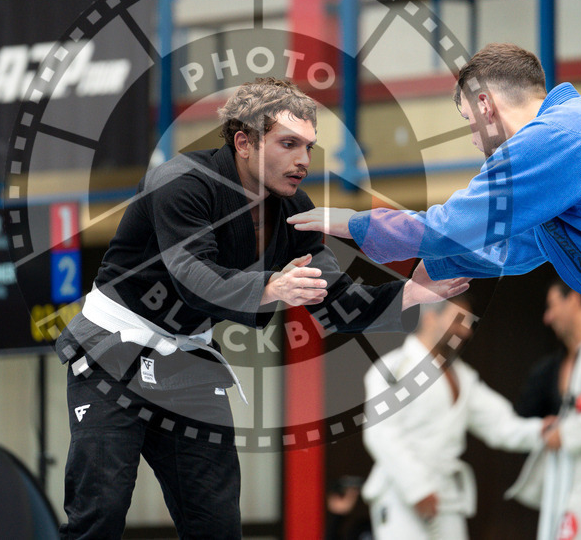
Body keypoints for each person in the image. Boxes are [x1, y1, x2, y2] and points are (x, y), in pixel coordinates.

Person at [288, 42, 581, 539]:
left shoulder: (553, 137)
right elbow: (511, 248)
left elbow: (455, 222)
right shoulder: (571, 147)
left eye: (469, 123)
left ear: (484, 105)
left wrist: (351, 222)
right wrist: (430, 273)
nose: (474, 139)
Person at [53, 77, 469, 539]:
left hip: (187, 361)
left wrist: (411, 293)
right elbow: (193, 277)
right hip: (115, 350)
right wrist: (272, 285)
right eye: (289, 144)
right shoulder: (180, 182)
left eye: (309, 147)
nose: (303, 161)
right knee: (101, 513)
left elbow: (335, 303)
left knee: (218, 525)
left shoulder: (294, 209)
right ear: (244, 142)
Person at [362, 297, 545, 540]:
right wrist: (417, 488)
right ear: (430, 318)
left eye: (469, 323)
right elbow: (381, 434)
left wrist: (542, 431)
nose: (466, 330)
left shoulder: (463, 376)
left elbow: (500, 424)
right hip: (400, 492)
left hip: (446, 494)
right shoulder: (393, 368)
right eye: (459, 320)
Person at [506, 280, 581, 540]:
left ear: (574, 299)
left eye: (552, 306)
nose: (548, 317)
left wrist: (565, 432)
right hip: (578, 479)